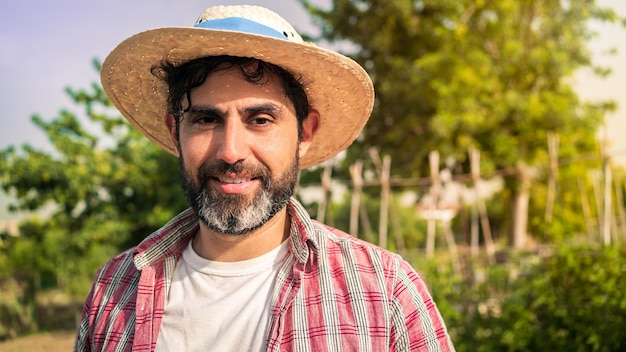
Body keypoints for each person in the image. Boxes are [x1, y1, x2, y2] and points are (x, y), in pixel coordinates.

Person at [74, 4, 455, 352]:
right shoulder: (115, 290)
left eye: (260, 120)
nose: (231, 151)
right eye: (206, 119)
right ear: (176, 133)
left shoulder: (385, 291)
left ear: (305, 133)